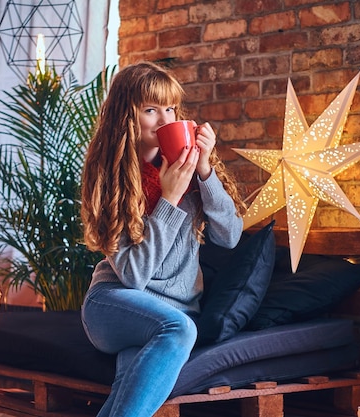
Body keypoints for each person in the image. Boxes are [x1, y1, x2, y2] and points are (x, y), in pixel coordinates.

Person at [80, 61, 247, 417]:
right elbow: (133, 276)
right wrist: (169, 199)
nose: (164, 119)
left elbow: (230, 236)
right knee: (179, 328)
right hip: (115, 304)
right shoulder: (113, 179)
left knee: (126, 392)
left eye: (170, 108)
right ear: (127, 116)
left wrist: (204, 172)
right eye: (151, 110)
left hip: (172, 311)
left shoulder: (184, 168)